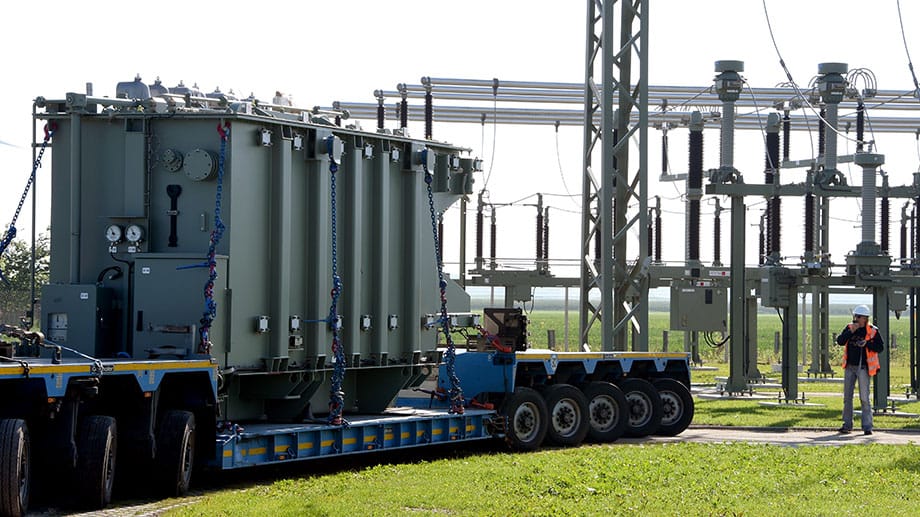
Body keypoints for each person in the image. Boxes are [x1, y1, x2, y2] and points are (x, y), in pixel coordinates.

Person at [835, 304, 884, 435]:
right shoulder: (849, 328)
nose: (856, 319)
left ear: (865, 318)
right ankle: (847, 425)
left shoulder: (873, 331)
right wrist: (850, 331)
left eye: (858, 317)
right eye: (855, 316)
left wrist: (867, 344)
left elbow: (880, 347)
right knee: (847, 397)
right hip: (850, 367)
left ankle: (867, 427)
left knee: (864, 398)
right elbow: (840, 341)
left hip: (863, 367)